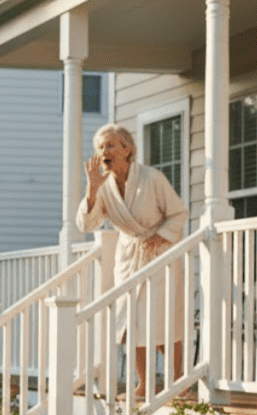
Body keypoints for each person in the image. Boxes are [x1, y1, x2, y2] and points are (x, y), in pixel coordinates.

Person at [76, 124, 188, 399]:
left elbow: (178, 213)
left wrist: (160, 237)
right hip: (128, 258)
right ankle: (144, 383)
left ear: (128, 149)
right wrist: (91, 189)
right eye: (101, 147)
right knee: (131, 322)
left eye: (111, 145)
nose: (104, 152)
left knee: (164, 320)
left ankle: (178, 381)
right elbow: (86, 225)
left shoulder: (152, 179)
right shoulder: (103, 187)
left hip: (159, 254)